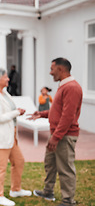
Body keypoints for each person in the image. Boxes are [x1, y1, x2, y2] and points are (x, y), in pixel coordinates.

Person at [29, 58, 83, 206]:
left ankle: (68, 201)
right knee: (50, 164)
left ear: (60, 69)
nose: (50, 72)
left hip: (64, 136)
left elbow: (68, 116)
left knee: (65, 168)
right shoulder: (63, 86)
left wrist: (56, 137)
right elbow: (57, 110)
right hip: (58, 134)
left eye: (52, 69)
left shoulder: (72, 87)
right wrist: (42, 113)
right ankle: (48, 192)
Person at [0, 67, 31, 206]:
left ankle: (15, 190)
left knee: (19, 161)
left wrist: (17, 112)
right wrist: (16, 112)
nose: (8, 79)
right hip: (0, 137)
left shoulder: (4, 93)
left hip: (11, 137)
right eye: (5, 77)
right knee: (0, 167)